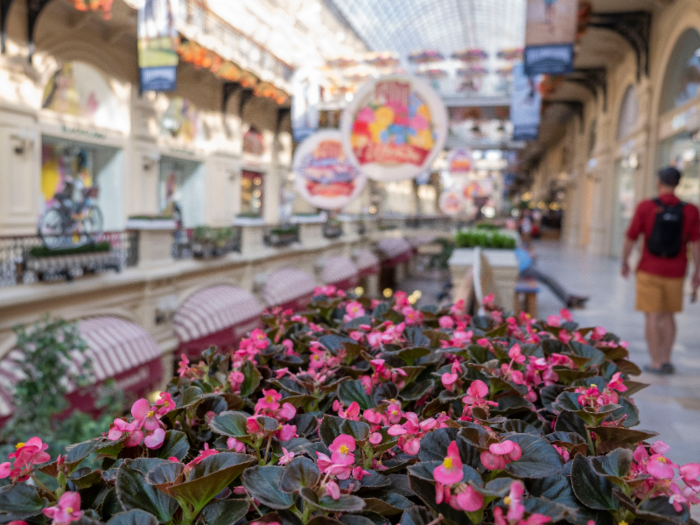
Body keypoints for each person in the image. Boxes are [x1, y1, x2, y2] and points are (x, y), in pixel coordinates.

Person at [621, 167, 700, 374]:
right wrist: (697, 272)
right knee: (669, 316)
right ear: (678, 184)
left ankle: (655, 361)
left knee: (652, 316)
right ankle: (666, 359)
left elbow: (631, 236)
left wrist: (624, 261)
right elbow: (696, 243)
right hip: (676, 271)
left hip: (649, 269)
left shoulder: (646, 206)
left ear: (659, 183)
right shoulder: (690, 210)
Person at [515, 247, 589, 308]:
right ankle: (568, 299)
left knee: (548, 278)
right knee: (548, 279)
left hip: (525, 265)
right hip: (523, 268)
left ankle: (569, 297)